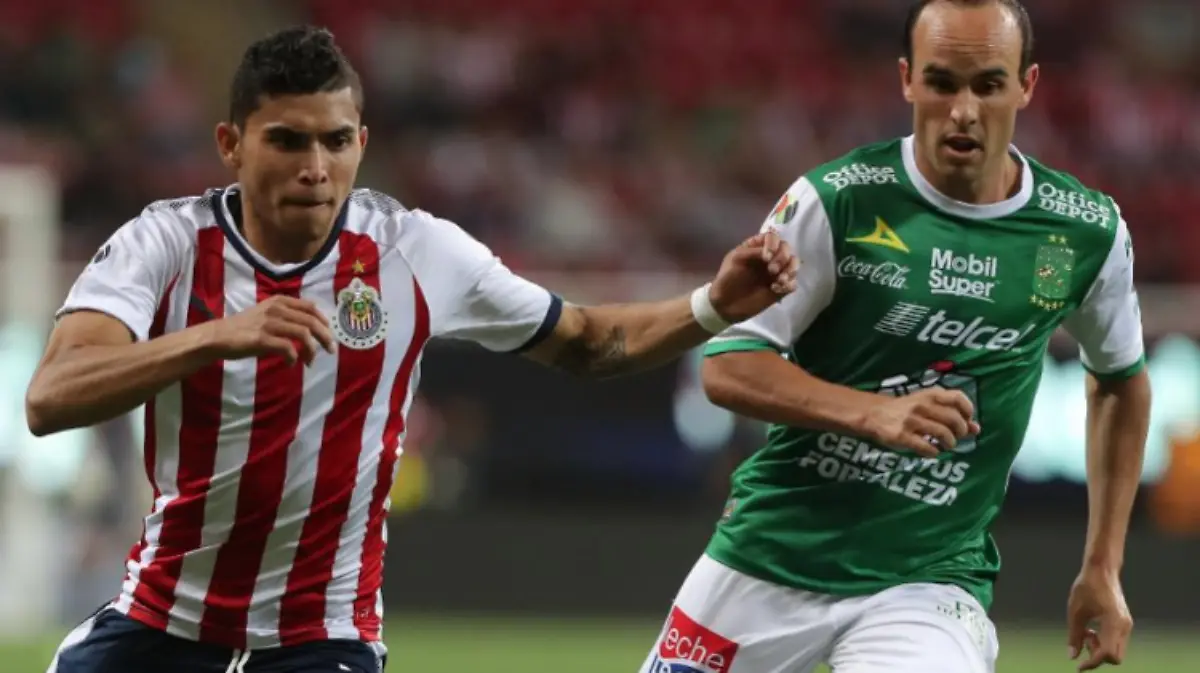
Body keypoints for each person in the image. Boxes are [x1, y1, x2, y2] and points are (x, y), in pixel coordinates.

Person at [27, 26, 800, 673]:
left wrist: (712, 305)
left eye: (336, 141)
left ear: (361, 142)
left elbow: (589, 340)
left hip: (320, 638)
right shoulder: (164, 244)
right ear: (231, 144)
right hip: (158, 622)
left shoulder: (414, 251)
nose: (315, 168)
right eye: (287, 140)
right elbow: (50, 396)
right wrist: (211, 337)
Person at [639, 1, 1150, 672]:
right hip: (770, 551)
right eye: (942, 83)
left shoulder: (1085, 232)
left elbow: (1119, 382)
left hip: (928, 582)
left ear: (1027, 85)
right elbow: (729, 365)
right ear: (908, 79)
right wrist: (876, 413)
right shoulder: (837, 201)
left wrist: (1103, 566)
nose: (963, 110)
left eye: (988, 85)